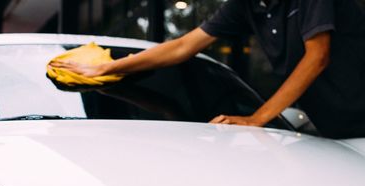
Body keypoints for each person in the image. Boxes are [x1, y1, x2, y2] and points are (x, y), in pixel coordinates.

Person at [50, 0, 365, 139]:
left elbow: (317, 56)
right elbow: (183, 46)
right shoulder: (245, 6)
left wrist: (258, 118)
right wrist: (107, 68)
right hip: (332, 132)